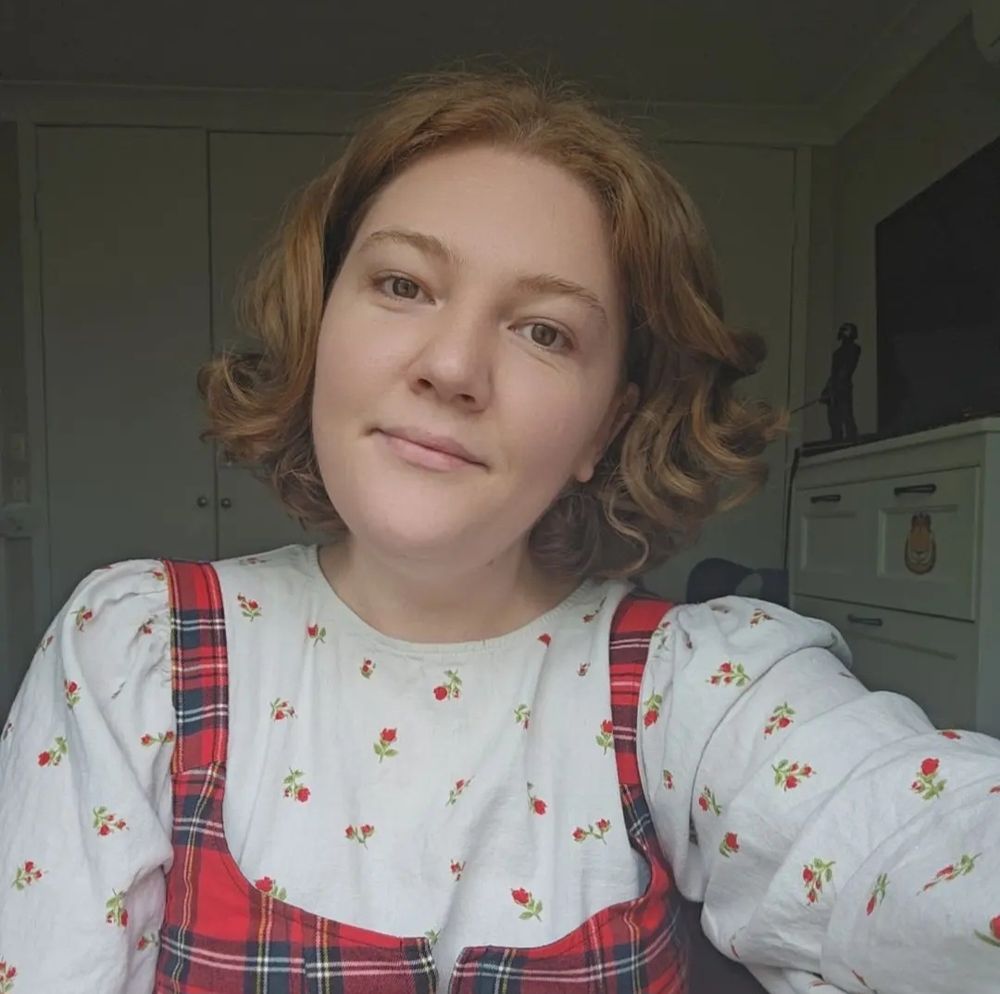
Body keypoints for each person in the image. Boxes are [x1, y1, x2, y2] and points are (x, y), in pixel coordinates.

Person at [1, 69, 998, 994]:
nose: (452, 365)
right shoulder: (138, 653)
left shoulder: (697, 688)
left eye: (545, 331)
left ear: (602, 426)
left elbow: (917, 842)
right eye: (402, 285)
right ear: (319, 326)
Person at [819, 322, 861, 443]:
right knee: (833, 415)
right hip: (835, 385)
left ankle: (852, 438)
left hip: (844, 386)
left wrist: (836, 386)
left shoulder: (854, 348)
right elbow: (833, 373)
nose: (843, 332)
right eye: (843, 330)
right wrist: (828, 388)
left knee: (846, 413)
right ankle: (836, 438)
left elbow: (847, 369)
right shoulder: (836, 353)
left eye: (846, 330)